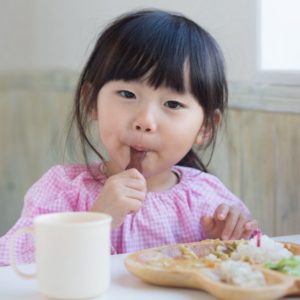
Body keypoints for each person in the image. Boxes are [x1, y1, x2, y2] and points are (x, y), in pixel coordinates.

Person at [0, 9, 257, 266]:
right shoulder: (62, 191)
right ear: (92, 101)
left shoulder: (210, 199)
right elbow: (12, 265)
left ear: (205, 127)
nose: (145, 121)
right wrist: (97, 221)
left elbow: (257, 264)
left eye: (173, 104)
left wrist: (220, 245)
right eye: (127, 94)